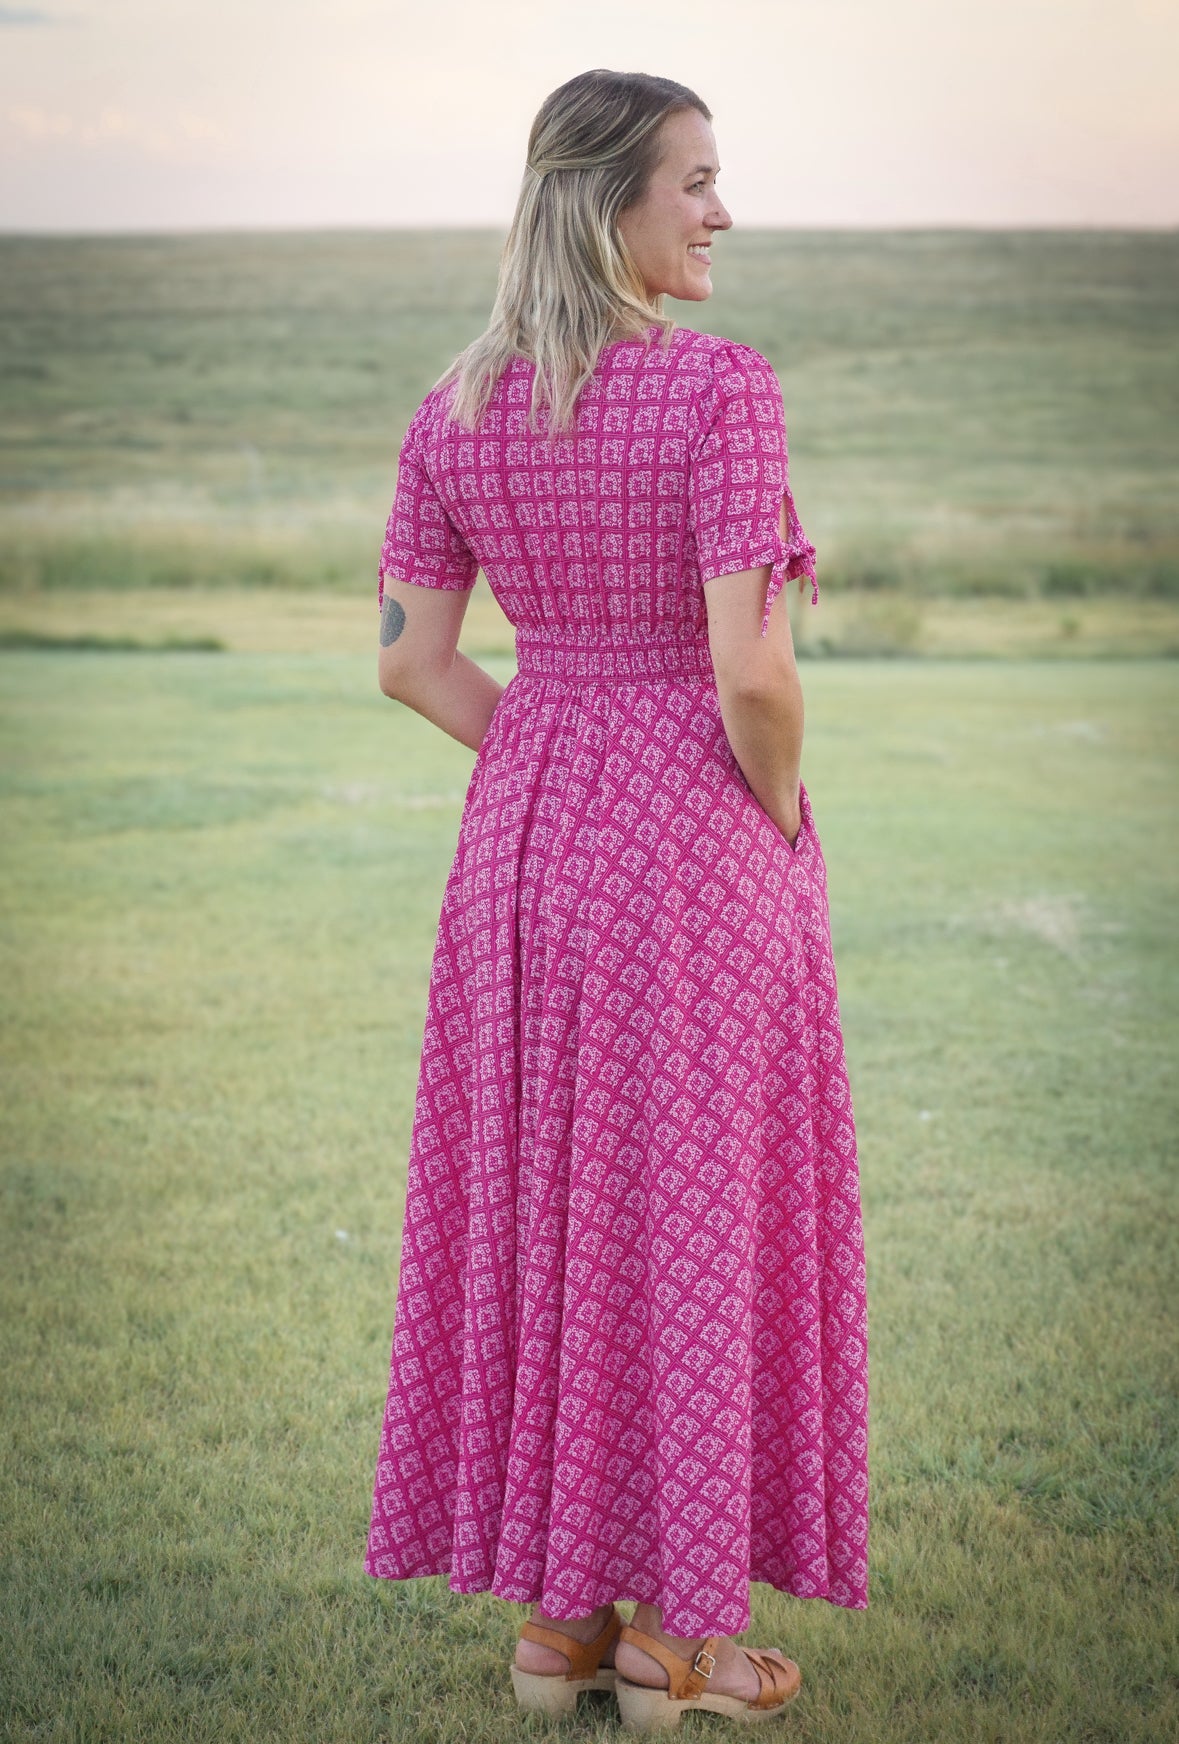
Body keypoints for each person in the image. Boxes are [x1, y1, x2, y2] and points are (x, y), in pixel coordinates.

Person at [364, 68, 869, 1733]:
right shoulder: (721, 391)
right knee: (691, 1217)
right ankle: (692, 1647)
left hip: (523, 848)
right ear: (608, 204)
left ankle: (557, 1628)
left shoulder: (453, 407)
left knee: (550, 1209)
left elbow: (412, 666)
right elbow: (754, 672)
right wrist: (775, 815)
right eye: (698, 183)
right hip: (696, 846)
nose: (723, 212)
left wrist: (553, 759)